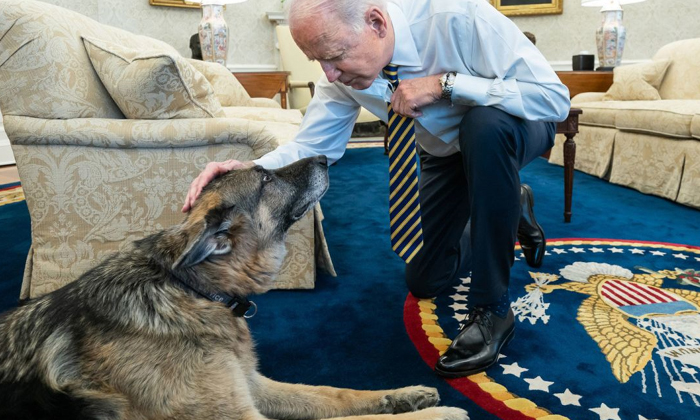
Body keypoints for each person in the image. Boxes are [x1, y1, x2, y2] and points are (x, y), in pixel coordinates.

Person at [182, 0, 570, 377]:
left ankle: (493, 309)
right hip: (443, 151)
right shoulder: (341, 73)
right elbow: (315, 146)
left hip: (514, 125)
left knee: (483, 127)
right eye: (317, 61)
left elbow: (554, 100)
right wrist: (250, 168)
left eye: (334, 56)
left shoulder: (457, 17)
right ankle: (509, 201)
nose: (329, 74)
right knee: (425, 280)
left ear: (376, 24)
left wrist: (447, 85)